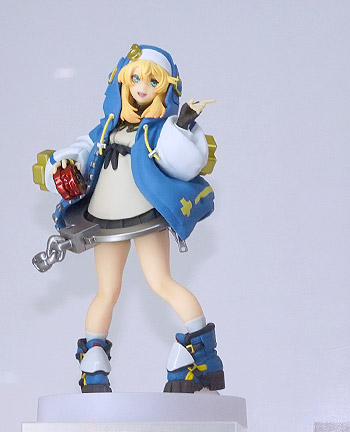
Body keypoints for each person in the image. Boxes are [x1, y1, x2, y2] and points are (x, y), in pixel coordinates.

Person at [42, 44, 223, 393]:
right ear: (123, 81)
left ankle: (202, 352)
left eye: (153, 82)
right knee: (107, 290)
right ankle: (93, 359)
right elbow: (82, 149)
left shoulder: (159, 130)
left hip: (144, 214)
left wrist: (183, 124)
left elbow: (184, 162)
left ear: (164, 89)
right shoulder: (107, 128)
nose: (142, 87)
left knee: (161, 281)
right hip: (104, 218)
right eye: (136, 78)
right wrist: (66, 162)